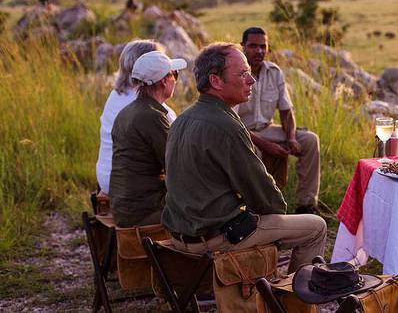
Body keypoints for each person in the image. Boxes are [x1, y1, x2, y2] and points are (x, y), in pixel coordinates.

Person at [162, 42, 327, 273]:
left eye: (249, 73)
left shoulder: (182, 118)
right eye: (242, 74)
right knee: (316, 227)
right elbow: (265, 197)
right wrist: (277, 211)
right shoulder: (226, 125)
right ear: (216, 81)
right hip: (216, 238)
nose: (251, 80)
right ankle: (294, 292)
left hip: (181, 235)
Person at [236, 26, 321, 214]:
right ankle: (259, 209)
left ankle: (307, 205)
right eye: (253, 46)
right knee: (254, 152)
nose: (259, 51)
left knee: (310, 140)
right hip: (243, 133)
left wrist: (291, 137)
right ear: (243, 46)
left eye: (263, 46)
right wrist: (267, 145)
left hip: (267, 129)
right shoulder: (237, 73)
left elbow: (286, 111)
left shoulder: (274, 72)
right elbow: (233, 122)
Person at [109, 51, 186, 227]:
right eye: (175, 75)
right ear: (164, 80)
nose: (175, 80)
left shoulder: (126, 112)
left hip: (124, 208)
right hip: (145, 211)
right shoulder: (152, 116)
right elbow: (178, 166)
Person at [96, 40, 177, 195]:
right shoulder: (145, 105)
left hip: (107, 176)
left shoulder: (117, 95)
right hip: (129, 185)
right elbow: (174, 146)